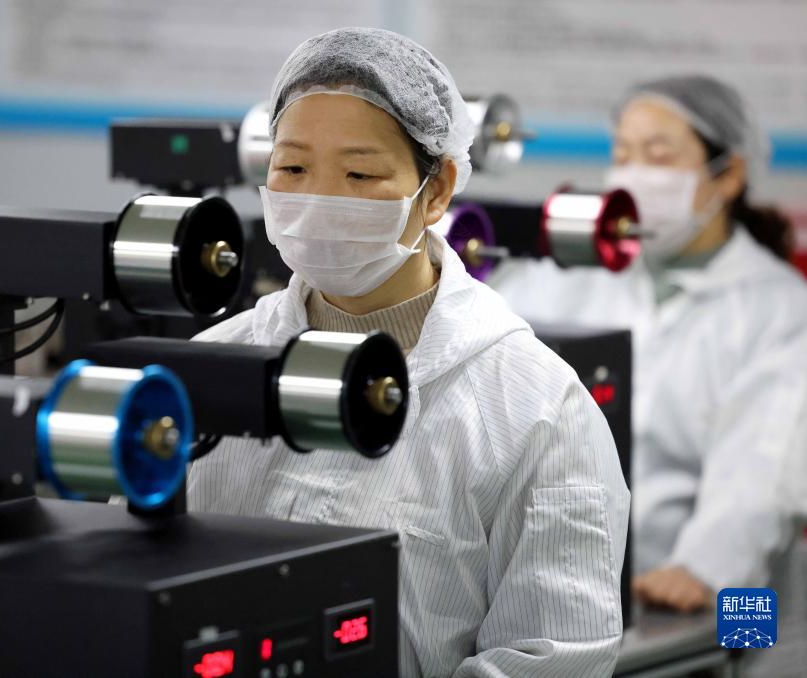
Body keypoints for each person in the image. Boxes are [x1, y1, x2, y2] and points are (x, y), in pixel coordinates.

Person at [188, 27, 630, 676]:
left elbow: (554, 656)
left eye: (359, 173)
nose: (319, 199)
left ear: (438, 189)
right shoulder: (209, 367)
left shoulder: (535, 408)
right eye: (293, 168)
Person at [489, 75, 807, 671]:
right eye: (623, 155)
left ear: (729, 175)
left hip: (719, 583)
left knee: (737, 656)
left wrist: (704, 570)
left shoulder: (782, 307)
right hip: (576, 587)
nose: (633, 175)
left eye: (658, 156)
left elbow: (765, 464)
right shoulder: (574, 275)